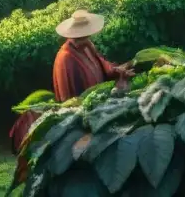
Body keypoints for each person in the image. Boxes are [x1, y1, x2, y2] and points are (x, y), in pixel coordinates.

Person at [9, 10, 134, 184]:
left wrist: (118, 71)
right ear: (74, 35)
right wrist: (114, 92)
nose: (87, 38)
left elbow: (102, 64)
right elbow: (75, 100)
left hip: (97, 101)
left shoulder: (87, 46)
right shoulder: (65, 59)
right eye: (83, 36)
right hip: (81, 113)